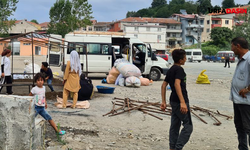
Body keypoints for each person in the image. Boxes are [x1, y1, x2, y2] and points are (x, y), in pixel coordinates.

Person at [161, 49, 193, 150]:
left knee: (175, 125)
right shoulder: (179, 70)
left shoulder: (171, 69)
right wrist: (183, 102)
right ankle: (177, 148)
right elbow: (176, 84)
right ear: (180, 60)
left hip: (173, 101)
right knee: (188, 127)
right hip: (179, 101)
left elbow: (163, 85)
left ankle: (172, 147)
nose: (186, 59)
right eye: (184, 57)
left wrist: (164, 102)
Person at [230, 37, 250, 150]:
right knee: (240, 126)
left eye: (232, 46)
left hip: (246, 101)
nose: (231, 49)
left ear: (238, 46)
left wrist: (247, 89)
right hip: (238, 100)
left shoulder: (249, 58)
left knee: (248, 128)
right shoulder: (241, 59)